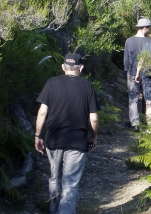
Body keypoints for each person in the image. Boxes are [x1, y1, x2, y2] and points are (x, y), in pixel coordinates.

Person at [34, 53, 100, 214]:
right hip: (78, 141)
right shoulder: (87, 87)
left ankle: (54, 209)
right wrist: (94, 135)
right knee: (70, 183)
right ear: (81, 68)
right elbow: (94, 117)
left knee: (55, 178)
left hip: (54, 139)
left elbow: (42, 113)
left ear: (63, 67)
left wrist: (37, 136)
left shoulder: (51, 83)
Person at [124, 18, 151, 132]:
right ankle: (145, 121)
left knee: (133, 99)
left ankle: (135, 123)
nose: (150, 29)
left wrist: (127, 71)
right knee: (146, 98)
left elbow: (126, 59)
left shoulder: (128, 41)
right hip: (146, 74)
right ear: (144, 28)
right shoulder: (149, 42)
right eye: (149, 27)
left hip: (131, 72)